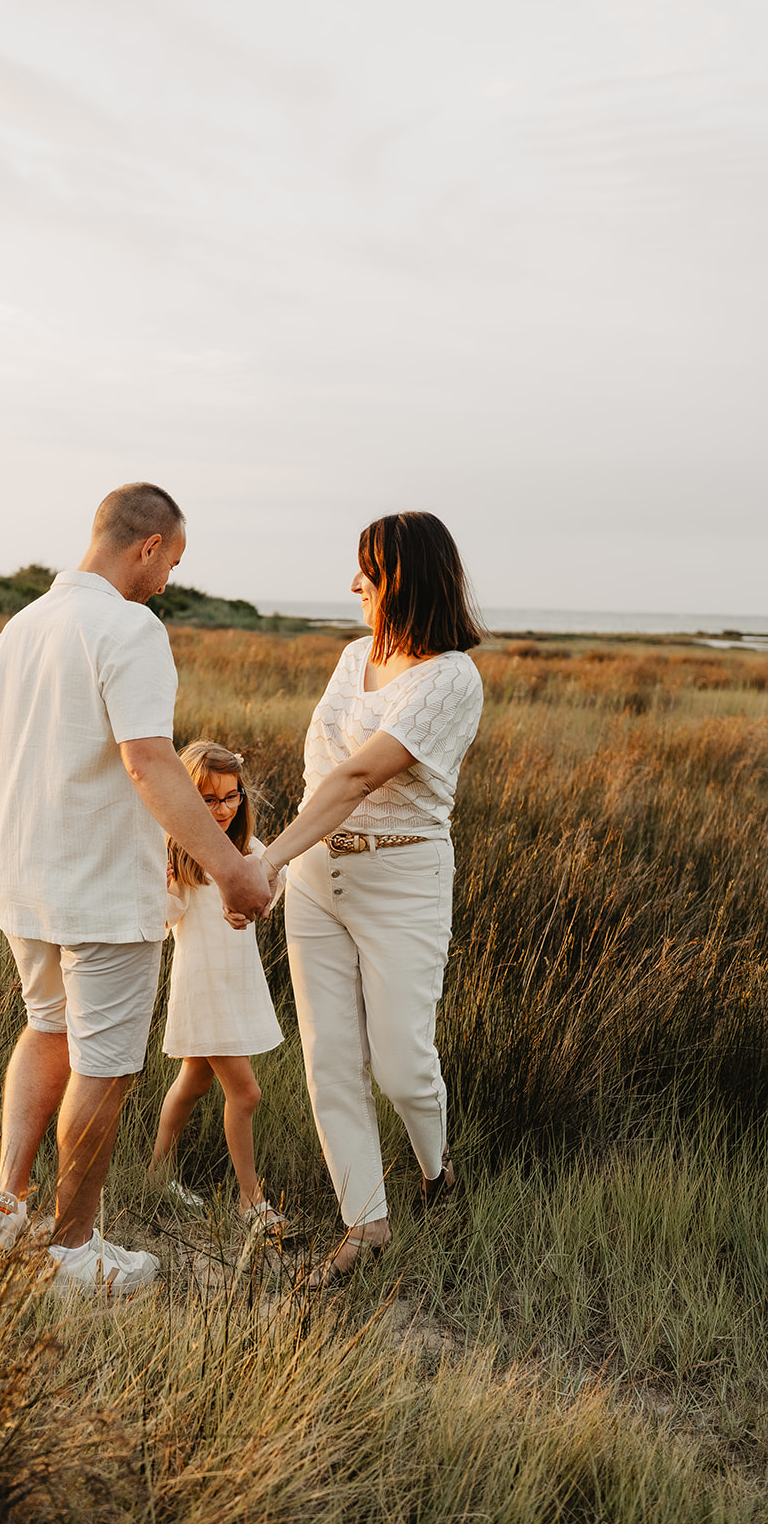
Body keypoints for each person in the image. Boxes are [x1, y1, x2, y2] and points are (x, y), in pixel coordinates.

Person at [0, 483, 271, 1295]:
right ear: (146, 546)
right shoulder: (129, 627)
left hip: (25, 874)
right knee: (104, 1067)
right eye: (171, 562)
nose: (168, 580)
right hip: (98, 883)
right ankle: (73, 1251)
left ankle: (5, 1210)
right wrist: (231, 868)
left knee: (48, 1031)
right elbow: (149, 762)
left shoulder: (22, 626)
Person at [259, 512, 483, 1286]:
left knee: (401, 1064)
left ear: (406, 580)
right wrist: (289, 864)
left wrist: (265, 861)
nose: (354, 584)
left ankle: (436, 1170)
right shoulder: (354, 656)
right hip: (318, 877)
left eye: (369, 571)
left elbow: (355, 777)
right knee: (328, 1059)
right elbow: (319, 770)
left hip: (403, 879)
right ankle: (365, 1224)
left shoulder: (452, 677)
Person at [149, 741, 287, 1234]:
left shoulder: (249, 852)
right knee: (245, 1094)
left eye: (232, 796)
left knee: (195, 1081)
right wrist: (159, 881)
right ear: (187, 801)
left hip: (236, 985)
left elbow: (273, 887)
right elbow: (164, 921)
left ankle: (156, 1174)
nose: (224, 808)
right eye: (208, 800)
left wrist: (266, 880)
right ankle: (251, 1202)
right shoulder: (182, 857)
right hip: (204, 989)